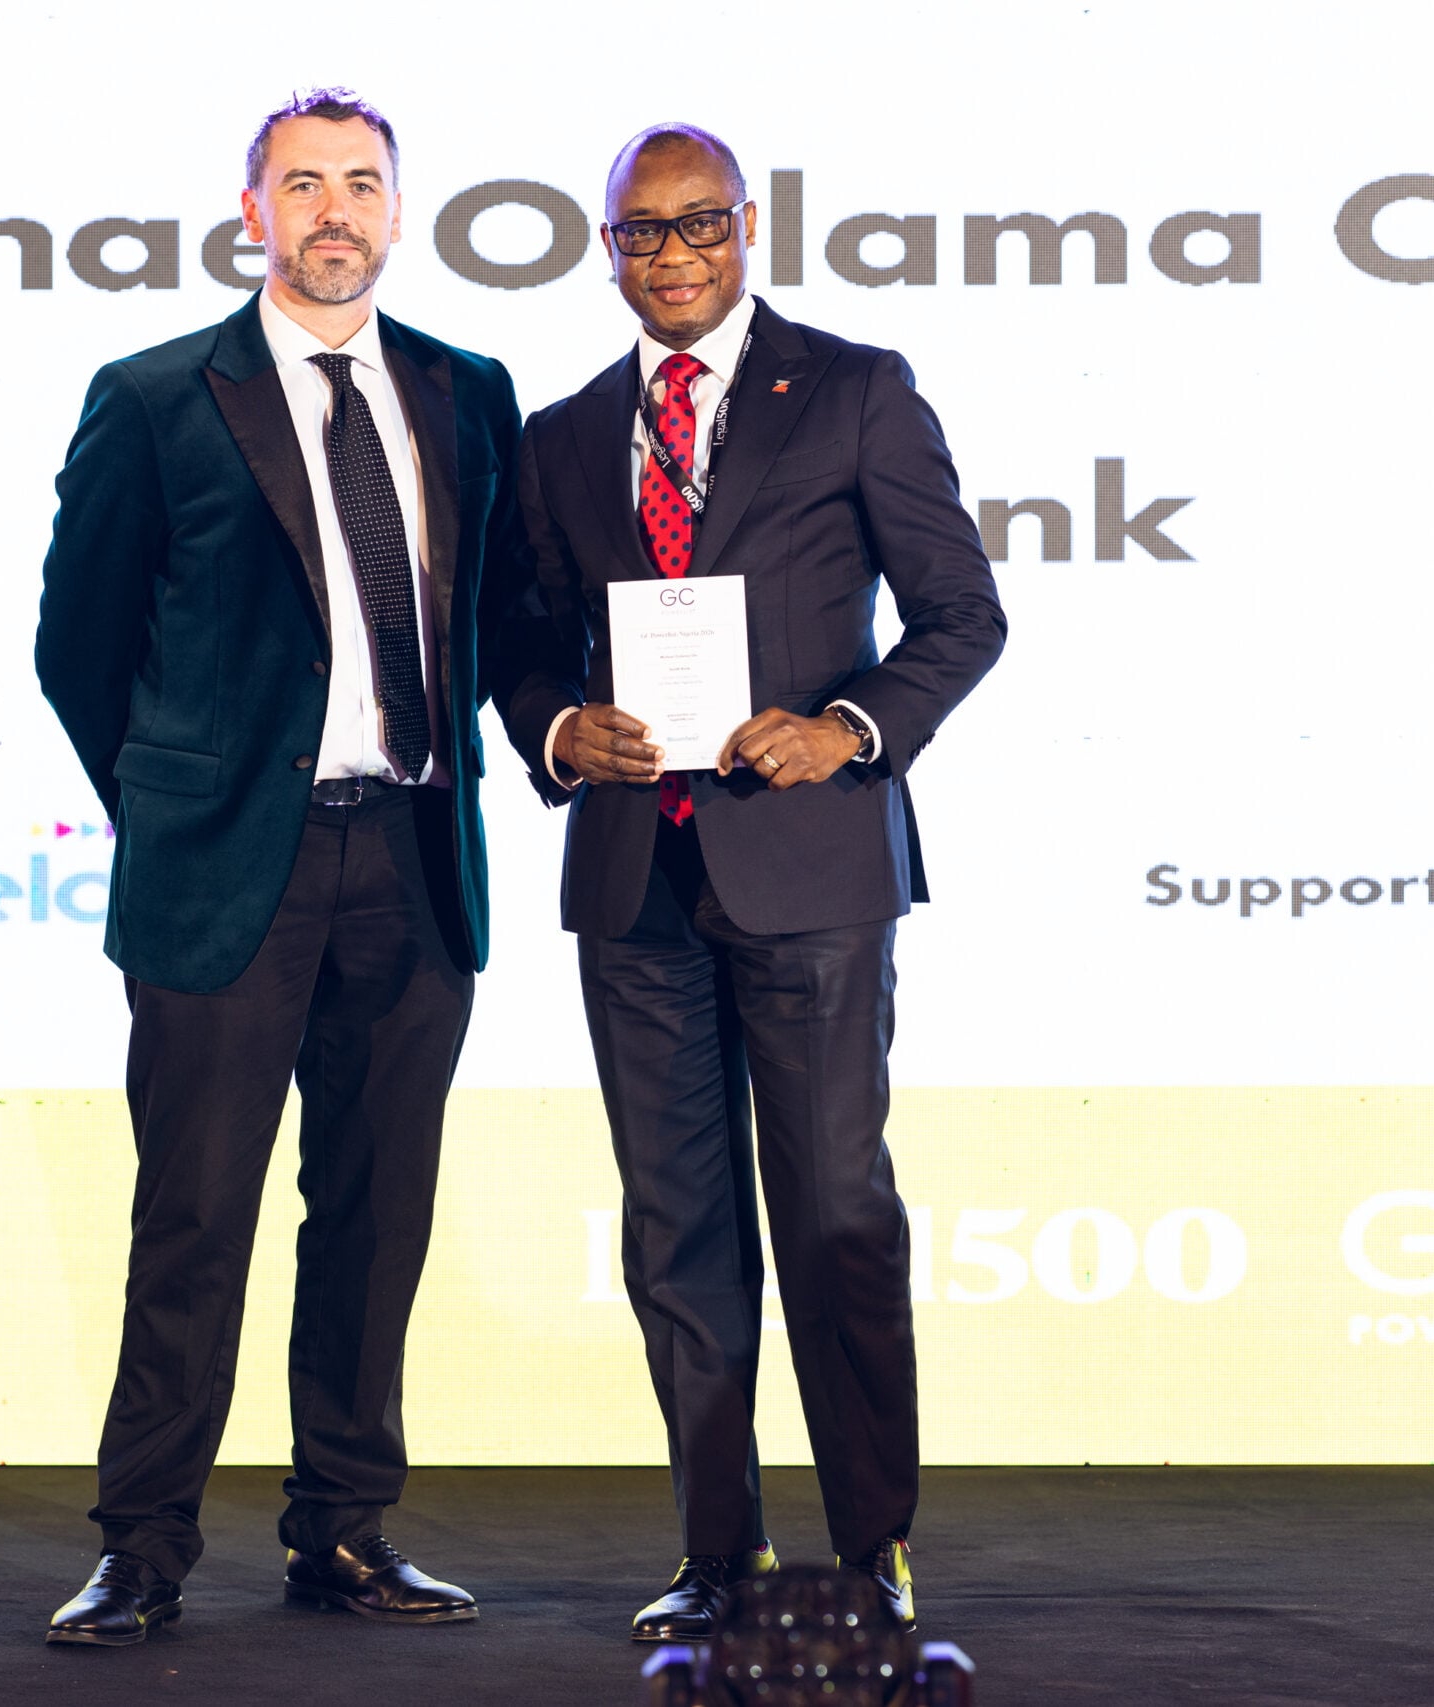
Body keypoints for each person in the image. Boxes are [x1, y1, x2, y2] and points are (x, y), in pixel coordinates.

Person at [493, 122, 1007, 1642]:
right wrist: (558, 726)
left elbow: (962, 616)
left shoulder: (853, 391)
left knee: (836, 1214)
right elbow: (523, 643)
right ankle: (718, 1553)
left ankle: (870, 1548)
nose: (673, 254)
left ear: (748, 226)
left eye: (699, 222)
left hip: (812, 870)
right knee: (676, 1233)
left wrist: (848, 727)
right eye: (642, 232)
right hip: (634, 882)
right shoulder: (564, 436)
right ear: (609, 251)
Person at [34, 88, 528, 1645]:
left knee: (376, 1222)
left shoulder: (468, 391)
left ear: (399, 212)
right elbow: (78, 646)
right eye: (303, 184)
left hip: (414, 858)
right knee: (193, 1222)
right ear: (253, 212)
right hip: (225, 874)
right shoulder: (155, 395)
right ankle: (142, 1546)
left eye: (361, 184)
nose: (335, 211)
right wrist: (184, 803)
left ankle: (346, 1531)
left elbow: (501, 617)